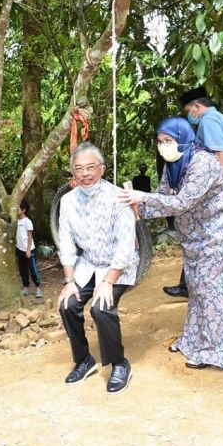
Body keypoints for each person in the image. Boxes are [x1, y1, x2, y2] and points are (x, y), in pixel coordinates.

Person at [119, 117, 223, 370]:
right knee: (197, 291)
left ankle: (215, 351)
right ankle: (194, 342)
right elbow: (164, 200)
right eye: (160, 142)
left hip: (218, 236)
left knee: (214, 292)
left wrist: (143, 197)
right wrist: (135, 209)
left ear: (183, 138)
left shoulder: (203, 163)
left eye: (168, 141)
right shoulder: (173, 165)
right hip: (194, 238)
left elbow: (183, 202)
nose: (163, 146)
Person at [57, 142, 138, 394]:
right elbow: (66, 241)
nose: (85, 174)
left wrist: (108, 281)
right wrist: (69, 281)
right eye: (78, 168)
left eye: (91, 167)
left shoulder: (119, 198)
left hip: (117, 266)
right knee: (67, 304)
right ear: (73, 171)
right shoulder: (68, 201)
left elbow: (126, 246)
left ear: (101, 169)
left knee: (102, 308)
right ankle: (84, 360)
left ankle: (119, 363)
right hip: (87, 264)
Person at [164, 87, 223, 299]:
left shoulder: (208, 121)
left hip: (219, 194)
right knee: (210, 239)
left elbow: (219, 155)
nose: (188, 115)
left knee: (200, 238)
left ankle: (196, 286)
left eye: (188, 110)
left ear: (197, 107)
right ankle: (193, 285)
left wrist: (209, 191)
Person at [16, 199, 42, 298]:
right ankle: (26, 288)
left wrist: (28, 250)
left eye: (18, 208)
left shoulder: (27, 221)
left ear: (24, 210)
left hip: (29, 249)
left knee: (33, 269)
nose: (16, 210)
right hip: (19, 249)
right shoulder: (16, 222)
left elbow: (30, 236)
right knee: (22, 269)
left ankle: (38, 288)